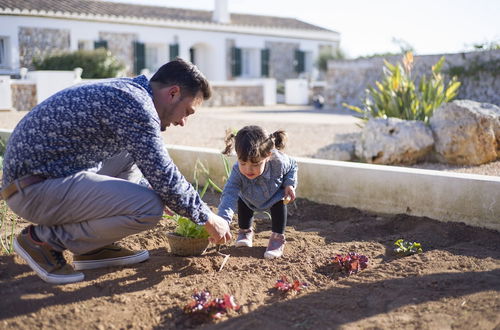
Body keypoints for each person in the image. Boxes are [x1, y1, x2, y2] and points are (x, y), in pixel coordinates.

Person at [1, 58, 231, 284]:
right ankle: (43, 241)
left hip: (46, 178)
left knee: (133, 155)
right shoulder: (136, 104)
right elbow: (164, 173)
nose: (183, 122)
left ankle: (93, 248)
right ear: (173, 93)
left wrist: (158, 188)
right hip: (31, 190)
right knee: (149, 207)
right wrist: (206, 216)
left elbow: (152, 170)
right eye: (188, 112)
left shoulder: (130, 93)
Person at [217, 125, 298, 259]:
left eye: (255, 164)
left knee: (279, 205)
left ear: (268, 156)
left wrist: (290, 184)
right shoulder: (238, 172)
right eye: (243, 163)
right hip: (248, 197)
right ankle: (245, 231)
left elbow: (293, 166)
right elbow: (229, 195)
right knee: (242, 203)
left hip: (274, 195)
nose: (248, 169)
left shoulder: (280, 162)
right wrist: (223, 221)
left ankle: (277, 238)